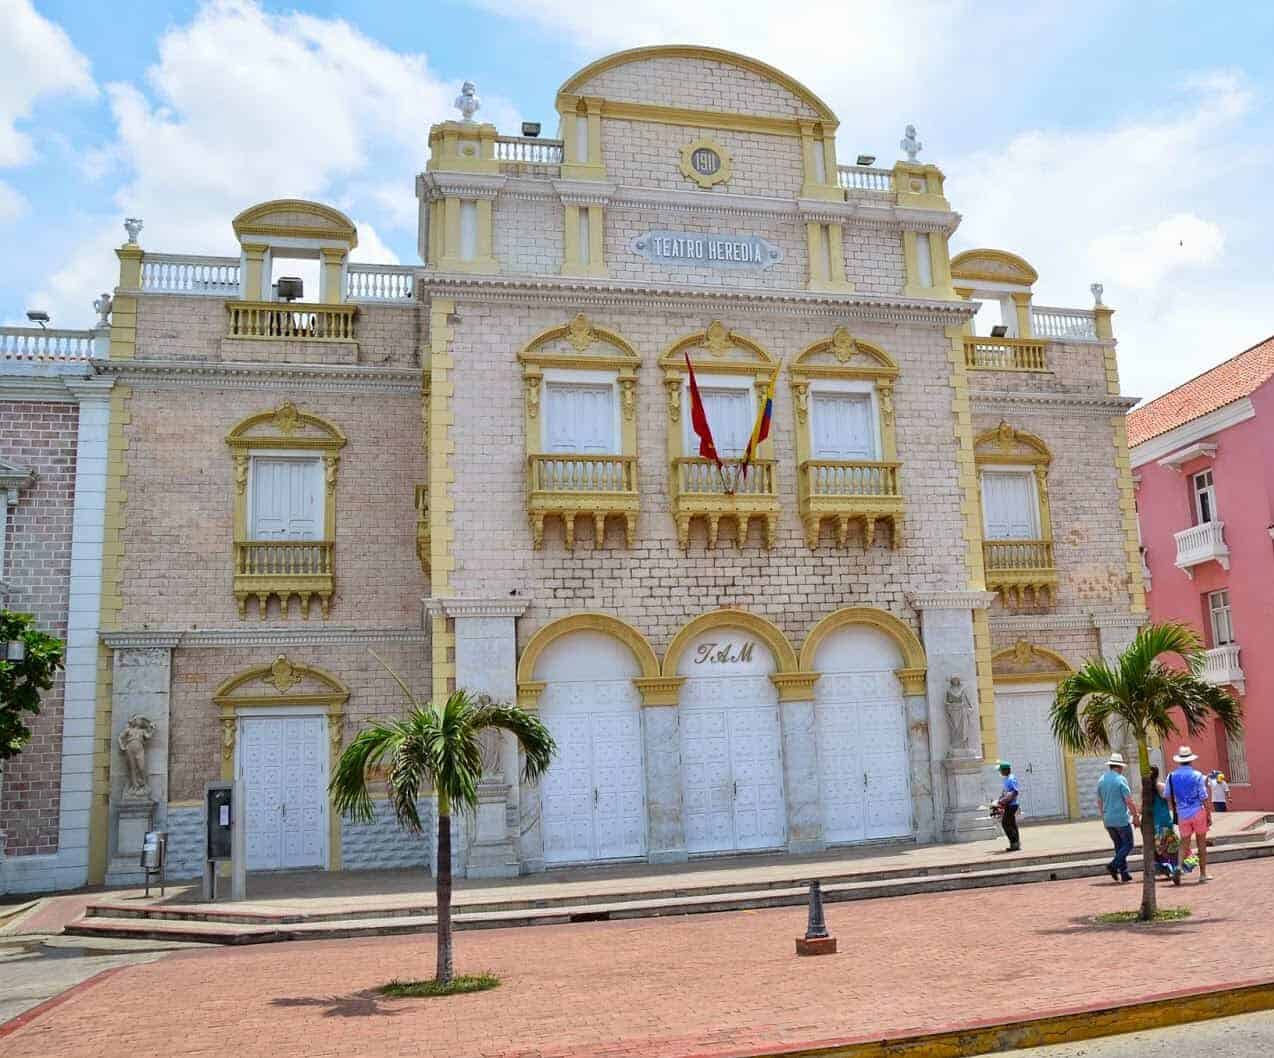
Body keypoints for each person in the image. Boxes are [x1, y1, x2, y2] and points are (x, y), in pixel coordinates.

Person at [1167, 746, 1213, 883]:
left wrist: (1174, 809)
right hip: (1198, 811)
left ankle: (1179, 867)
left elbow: (1168, 796)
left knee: (1184, 842)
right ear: (1191, 760)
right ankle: (1203, 874)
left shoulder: (1171, 776)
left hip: (1182, 813)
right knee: (1201, 843)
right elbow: (1204, 797)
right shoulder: (1197, 775)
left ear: (1179, 761)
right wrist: (1208, 814)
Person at [1096, 752, 1140, 883]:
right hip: (1121, 818)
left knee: (1118, 846)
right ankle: (1113, 865)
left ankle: (1124, 873)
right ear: (1120, 767)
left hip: (1109, 818)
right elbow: (1129, 800)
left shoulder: (1101, 780)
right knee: (1128, 844)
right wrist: (1135, 815)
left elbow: (1099, 801)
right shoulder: (1121, 780)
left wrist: (1103, 817)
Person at [1149, 765, 1181, 885]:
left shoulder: (1145, 789)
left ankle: (1167, 869)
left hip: (1154, 823)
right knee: (1173, 847)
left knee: (1161, 848)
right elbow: (1170, 802)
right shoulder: (1161, 786)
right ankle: (1173, 869)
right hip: (1165, 821)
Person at [993, 760, 1021, 851]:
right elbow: (1006, 792)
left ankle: (1014, 843)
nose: (1000, 772)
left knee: (1005, 824)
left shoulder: (1011, 779)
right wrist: (999, 800)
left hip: (1011, 805)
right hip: (1009, 805)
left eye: (1000, 770)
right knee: (1012, 824)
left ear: (1006, 770)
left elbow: (1014, 792)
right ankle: (1015, 843)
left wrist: (1002, 802)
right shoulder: (1007, 778)